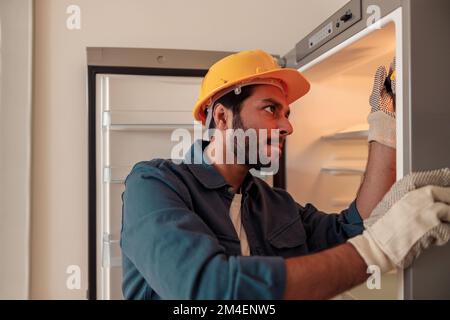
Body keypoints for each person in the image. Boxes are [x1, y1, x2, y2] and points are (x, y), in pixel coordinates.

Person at [120, 49, 450, 299]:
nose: (288, 126)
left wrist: (385, 127)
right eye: (271, 110)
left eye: (287, 113)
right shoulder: (153, 185)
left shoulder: (275, 204)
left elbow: (351, 232)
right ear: (221, 118)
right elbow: (209, 289)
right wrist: (378, 250)